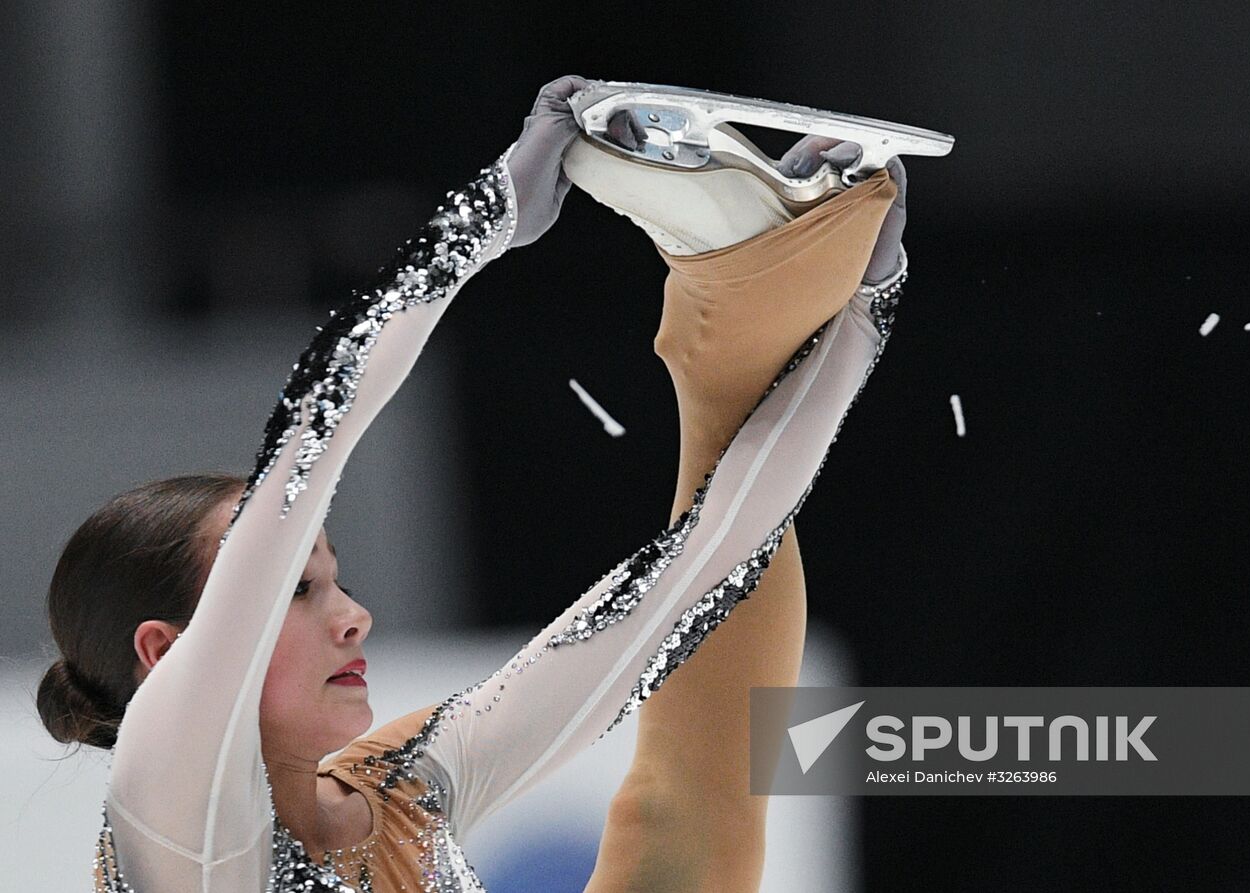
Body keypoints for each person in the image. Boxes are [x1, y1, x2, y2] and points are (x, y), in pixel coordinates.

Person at [36, 75, 908, 892]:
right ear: (162, 651)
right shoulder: (175, 824)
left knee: (695, 799)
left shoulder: (401, 786)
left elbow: (684, 580)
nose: (353, 615)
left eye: (332, 580)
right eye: (294, 590)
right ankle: (745, 291)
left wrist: (856, 315)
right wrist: (479, 220)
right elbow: (304, 459)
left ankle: (749, 291)